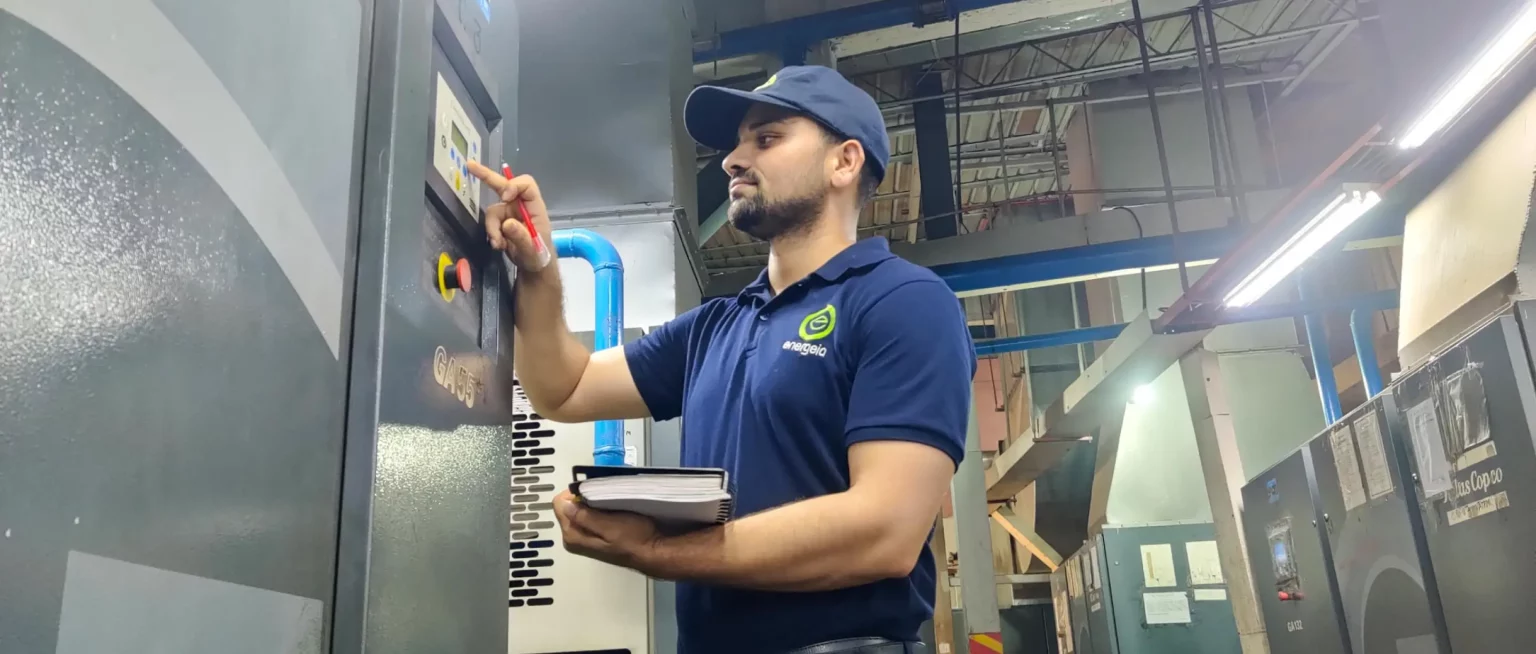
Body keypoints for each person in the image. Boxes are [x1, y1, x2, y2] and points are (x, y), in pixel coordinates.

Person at [467, 65, 975, 654]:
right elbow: (566, 388)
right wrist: (539, 269)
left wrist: (659, 554)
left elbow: (884, 531)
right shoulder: (717, 325)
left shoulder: (902, 302)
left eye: (766, 138)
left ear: (845, 162)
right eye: (736, 142)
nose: (733, 159)